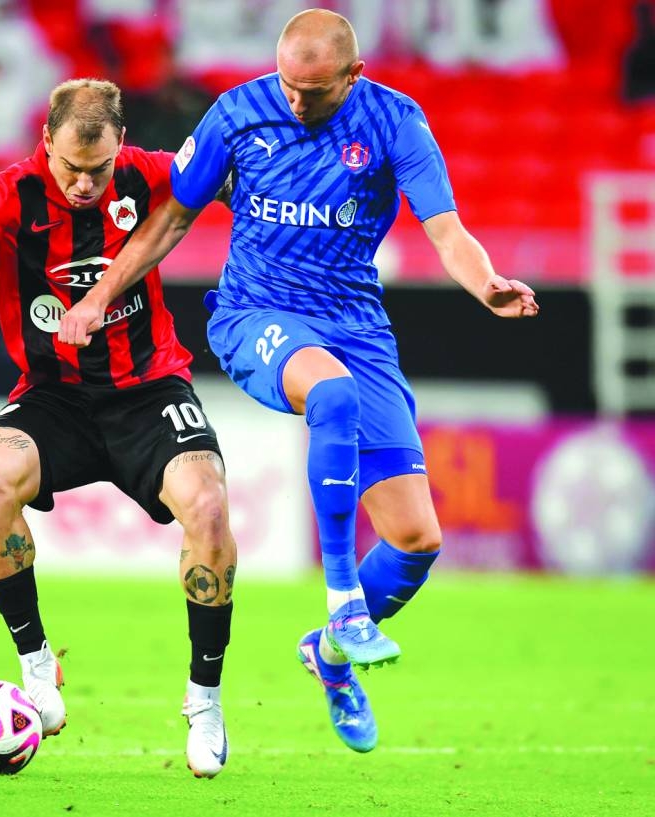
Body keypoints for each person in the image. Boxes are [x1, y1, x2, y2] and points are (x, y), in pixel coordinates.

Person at [59, 9, 539, 754]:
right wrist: (96, 297)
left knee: (416, 538)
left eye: (315, 92)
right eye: (289, 84)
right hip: (256, 313)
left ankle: (329, 653)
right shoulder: (238, 114)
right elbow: (170, 219)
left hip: (356, 325)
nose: (296, 102)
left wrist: (487, 285)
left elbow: (446, 228)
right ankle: (344, 596)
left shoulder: (395, 121)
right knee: (334, 394)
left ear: (353, 75)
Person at [0, 79, 237, 778]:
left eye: (97, 169)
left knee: (210, 507)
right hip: (54, 398)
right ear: (45, 143)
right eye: (70, 167)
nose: (82, 183)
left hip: (148, 389)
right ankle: (38, 668)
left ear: (119, 149)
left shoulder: (149, 175)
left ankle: (205, 700)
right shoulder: (9, 195)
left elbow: (226, 174)